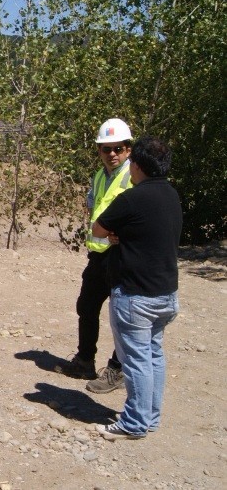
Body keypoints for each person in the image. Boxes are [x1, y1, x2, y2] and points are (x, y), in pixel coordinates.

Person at [93, 136, 182, 440]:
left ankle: (133, 422)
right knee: (153, 355)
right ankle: (149, 418)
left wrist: (118, 233)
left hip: (135, 294)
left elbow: (98, 228)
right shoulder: (171, 195)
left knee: (136, 361)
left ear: (138, 164)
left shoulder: (131, 198)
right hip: (166, 293)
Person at [55, 118, 132, 394]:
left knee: (123, 316)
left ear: (128, 149)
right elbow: (93, 203)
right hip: (98, 255)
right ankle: (85, 360)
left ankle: (118, 367)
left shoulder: (133, 176)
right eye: (105, 148)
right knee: (86, 307)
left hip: (122, 257)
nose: (111, 153)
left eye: (118, 148)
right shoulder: (100, 175)